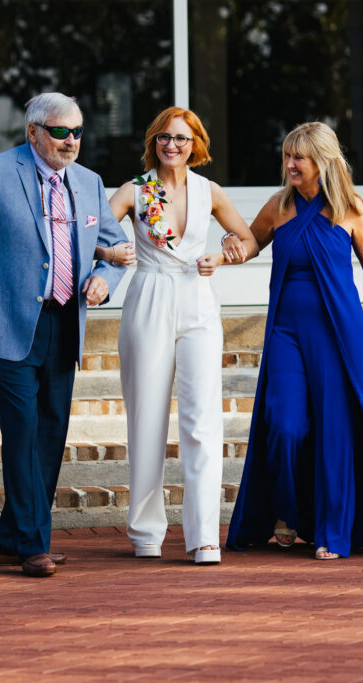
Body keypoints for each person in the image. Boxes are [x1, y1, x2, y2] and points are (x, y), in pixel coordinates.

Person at [0, 93, 129, 577]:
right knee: (24, 435)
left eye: (77, 132)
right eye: (60, 132)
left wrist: (104, 280)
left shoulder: (89, 183)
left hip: (66, 324)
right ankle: (32, 545)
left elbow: (115, 245)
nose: (70, 141)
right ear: (33, 132)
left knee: (50, 436)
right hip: (6, 327)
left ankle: (8, 540)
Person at [226, 121, 363, 560]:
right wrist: (226, 250)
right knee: (285, 424)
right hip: (286, 332)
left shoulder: (351, 207)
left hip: (340, 332)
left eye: (300, 157)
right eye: (288, 155)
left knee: (337, 431)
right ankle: (288, 510)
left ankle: (332, 533)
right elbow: (252, 241)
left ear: (323, 161)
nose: (290, 164)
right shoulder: (279, 205)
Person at [106, 106, 256, 565]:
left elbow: (247, 240)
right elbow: (88, 234)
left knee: (202, 420)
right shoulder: (134, 190)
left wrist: (225, 256)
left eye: (183, 139)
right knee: (147, 417)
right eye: (166, 138)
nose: (173, 145)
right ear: (154, 141)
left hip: (198, 299)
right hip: (149, 293)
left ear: (196, 145)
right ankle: (147, 533)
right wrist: (112, 251)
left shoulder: (208, 191)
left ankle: (204, 536)